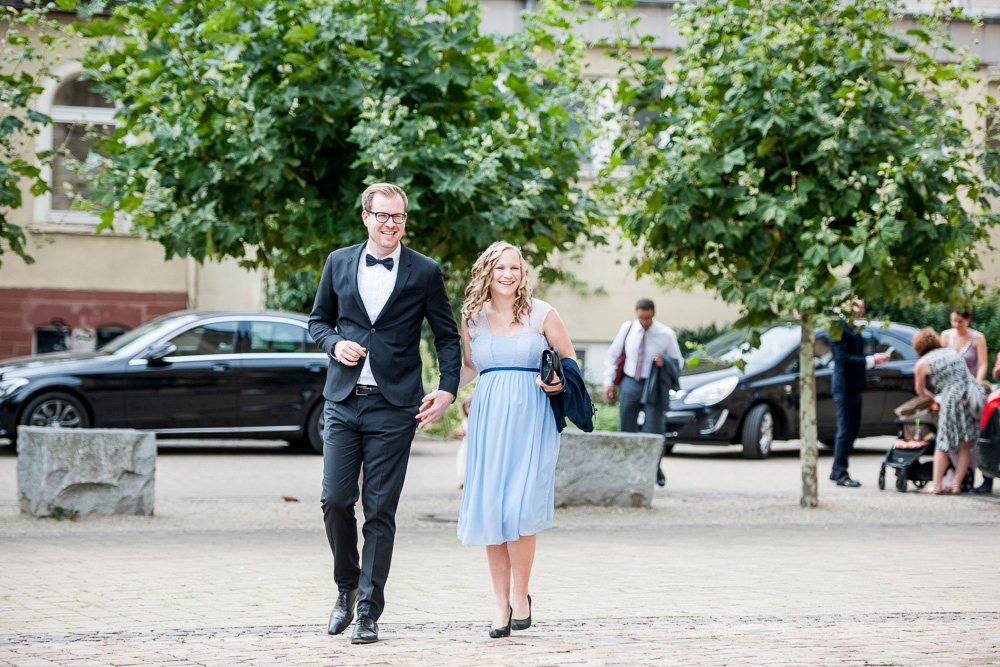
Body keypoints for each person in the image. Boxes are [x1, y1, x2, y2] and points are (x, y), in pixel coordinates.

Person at [308, 183, 461, 645]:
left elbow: (447, 336)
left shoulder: (426, 271)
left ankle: (369, 612)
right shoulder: (338, 262)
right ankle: (346, 585)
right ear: (366, 217)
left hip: (395, 407)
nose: (391, 224)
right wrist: (335, 343)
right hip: (343, 400)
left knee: (379, 510)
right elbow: (317, 321)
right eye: (383, 216)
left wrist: (448, 389)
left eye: (399, 217)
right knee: (335, 500)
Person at [456, 241, 573, 638]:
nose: (508, 274)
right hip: (489, 419)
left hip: (533, 417)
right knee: (493, 509)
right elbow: (469, 368)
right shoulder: (472, 317)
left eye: (515, 268)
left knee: (521, 509)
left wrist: (557, 385)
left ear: (522, 274)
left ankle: (521, 596)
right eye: (500, 267)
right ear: (486, 272)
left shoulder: (543, 313)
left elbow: (570, 364)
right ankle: (500, 604)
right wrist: (439, 395)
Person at [602, 299, 683, 486]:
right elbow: (612, 355)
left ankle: (655, 468)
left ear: (653, 314)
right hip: (631, 381)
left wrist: (665, 361)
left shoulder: (666, 334)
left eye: (647, 318)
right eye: (640, 318)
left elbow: (678, 362)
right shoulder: (628, 328)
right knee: (626, 427)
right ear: (636, 314)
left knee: (654, 430)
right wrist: (608, 382)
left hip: (654, 385)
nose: (644, 322)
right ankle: (626, 470)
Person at [912, 327, 985, 494]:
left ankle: (936, 485)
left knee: (942, 444)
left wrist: (931, 397)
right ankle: (956, 485)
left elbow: (920, 391)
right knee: (965, 444)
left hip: (951, 399)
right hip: (969, 397)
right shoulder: (951, 353)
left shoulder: (923, 363)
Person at [829, 298, 890, 487]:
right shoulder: (837, 327)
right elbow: (842, 358)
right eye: (859, 306)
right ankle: (840, 471)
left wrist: (873, 359)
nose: (863, 309)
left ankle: (836, 470)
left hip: (854, 386)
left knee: (852, 429)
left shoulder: (851, 326)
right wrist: (870, 360)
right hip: (845, 387)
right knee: (846, 430)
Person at [941, 307, 992, 494]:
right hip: (952, 391)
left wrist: (976, 386)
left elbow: (983, 363)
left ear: (968, 320)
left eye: (960, 321)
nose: (956, 325)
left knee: (970, 436)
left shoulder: (977, 338)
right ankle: (950, 476)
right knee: (951, 435)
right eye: (953, 320)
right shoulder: (946, 336)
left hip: (971, 392)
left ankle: (967, 476)